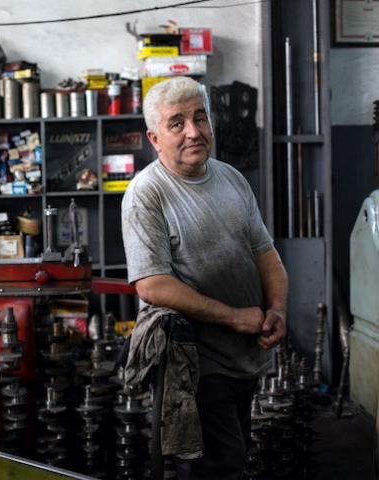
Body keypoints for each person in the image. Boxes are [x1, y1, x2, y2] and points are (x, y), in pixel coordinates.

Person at [121, 76, 288, 480]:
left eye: (200, 118)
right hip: (196, 363)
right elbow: (152, 284)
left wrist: (278, 309)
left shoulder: (232, 178)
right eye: (177, 123)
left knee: (233, 456)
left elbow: (265, 254)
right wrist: (234, 316)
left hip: (245, 355)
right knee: (219, 467)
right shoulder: (146, 194)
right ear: (155, 138)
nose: (193, 132)